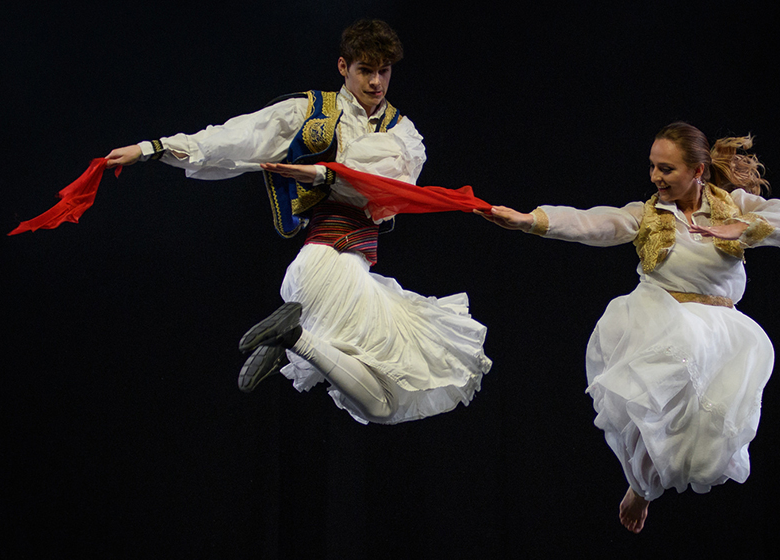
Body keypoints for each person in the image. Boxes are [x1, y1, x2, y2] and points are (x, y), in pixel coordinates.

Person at [105, 19, 492, 425]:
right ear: (343, 67)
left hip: (344, 270)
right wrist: (154, 148)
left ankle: (293, 337)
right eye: (366, 70)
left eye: (384, 71)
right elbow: (236, 137)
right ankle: (294, 338)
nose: (376, 82)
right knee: (383, 407)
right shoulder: (310, 111)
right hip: (329, 261)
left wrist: (327, 174)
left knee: (386, 397)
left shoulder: (404, 132)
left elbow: (388, 190)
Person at [479, 122, 780, 533]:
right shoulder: (649, 214)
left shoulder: (734, 205)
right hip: (661, 315)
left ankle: (649, 482)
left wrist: (742, 227)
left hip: (721, 327)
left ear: (698, 171)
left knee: (705, 439)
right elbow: (595, 223)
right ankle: (640, 482)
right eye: (653, 167)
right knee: (649, 404)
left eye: (667, 169)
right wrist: (532, 221)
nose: (656, 177)